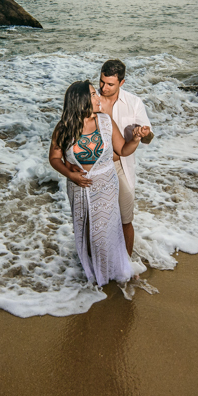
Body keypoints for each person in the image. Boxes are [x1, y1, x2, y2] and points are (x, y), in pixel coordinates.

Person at [48, 80, 142, 286]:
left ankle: (114, 270)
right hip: (79, 188)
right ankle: (94, 269)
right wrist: (69, 174)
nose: (98, 97)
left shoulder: (106, 122)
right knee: (87, 230)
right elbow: (54, 158)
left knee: (106, 232)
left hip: (106, 185)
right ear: (80, 100)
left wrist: (134, 140)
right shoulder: (64, 128)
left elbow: (123, 150)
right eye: (92, 94)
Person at [97, 59, 153, 257]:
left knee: (125, 219)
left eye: (110, 84)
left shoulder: (134, 102)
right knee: (97, 220)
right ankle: (98, 263)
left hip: (121, 166)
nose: (104, 87)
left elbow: (148, 137)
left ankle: (126, 263)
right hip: (94, 168)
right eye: (102, 82)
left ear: (122, 82)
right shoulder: (91, 99)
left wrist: (142, 134)